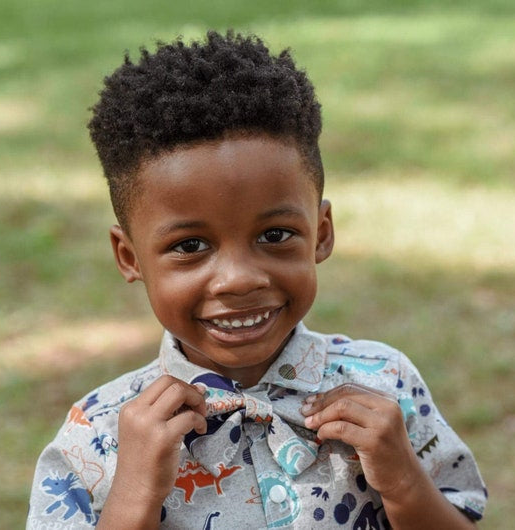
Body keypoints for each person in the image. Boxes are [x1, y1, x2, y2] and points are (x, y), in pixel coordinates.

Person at [27, 30, 487, 529]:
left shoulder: (386, 384)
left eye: (275, 234)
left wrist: (401, 480)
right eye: (189, 246)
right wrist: (135, 491)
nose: (239, 279)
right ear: (129, 256)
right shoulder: (96, 434)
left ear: (321, 234)